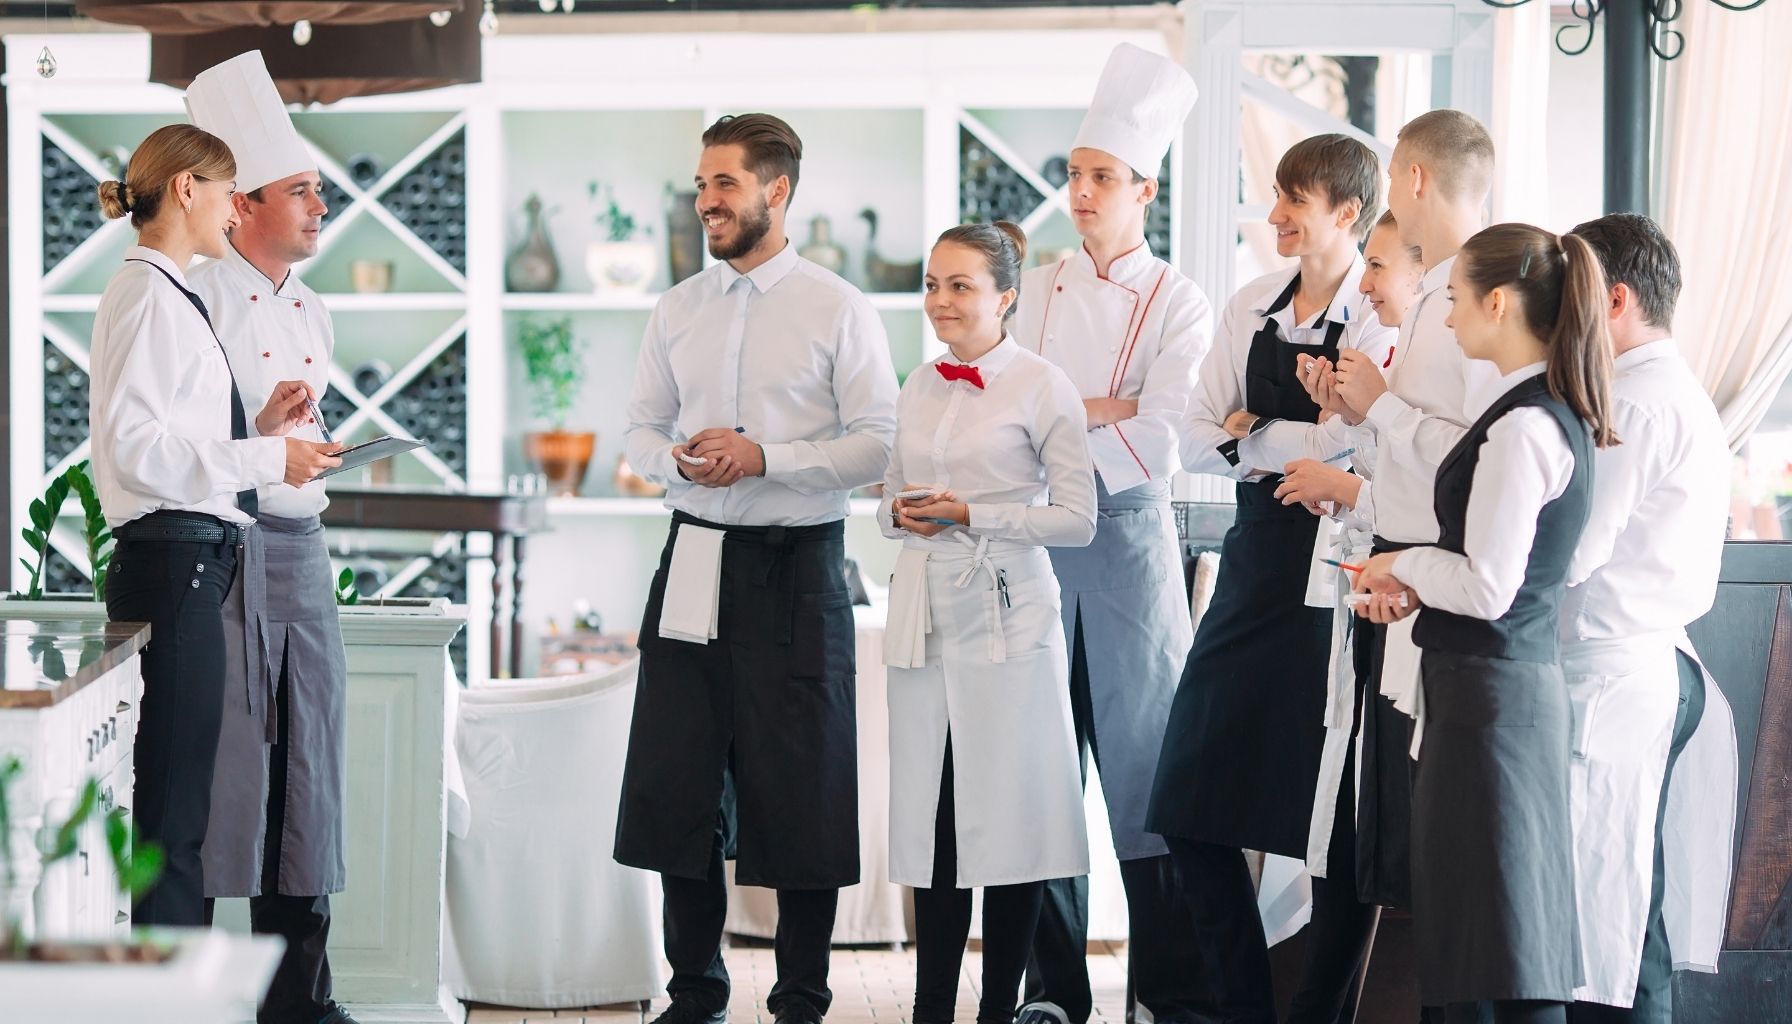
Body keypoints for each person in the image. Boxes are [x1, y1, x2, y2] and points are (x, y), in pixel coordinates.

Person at [615, 113, 899, 1024]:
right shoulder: (676, 309)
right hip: (693, 553)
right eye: (701, 184)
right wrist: (677, 461)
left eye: (724, 184)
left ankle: (802, 999)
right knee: (678, 779)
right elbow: (638, 430)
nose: (706, 201)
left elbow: (879, 445)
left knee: (805, 782)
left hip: (800, 566)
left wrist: (765, 457)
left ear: (776, 191)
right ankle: (694, 993)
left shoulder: (838, 307)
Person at [1146, 132, 1393, 1024]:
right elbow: (1188, 433)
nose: (1277, 213)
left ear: (1347, 213)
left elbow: (1362, 444)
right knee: (1186, 804)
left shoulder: (1380, 315)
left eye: (1295, 199)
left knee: (1331, 827)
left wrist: (1252, 433)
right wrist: (1292, 442)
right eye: (1278, 195)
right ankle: (1244, 1007)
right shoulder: (1252, 303)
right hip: (1253, 568)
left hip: (1339, 579)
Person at [1355, 222, 1619, 1024]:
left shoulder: (1521, 428)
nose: (1445, 316)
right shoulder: (1541, 415)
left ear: (1497, 303)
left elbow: (1490, 587)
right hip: (1497, 699)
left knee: (1499, 954)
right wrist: (1415, 587)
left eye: (1455, 298)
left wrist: (1400, 565)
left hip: (1491, 711)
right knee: (1491, 945)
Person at [88, 123, 341, 930]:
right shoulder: (148, 294)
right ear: (187, 189)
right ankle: (168, 988)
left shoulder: (167, 293)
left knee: (182, 814)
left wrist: (261, 432)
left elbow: (175, 437)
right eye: (230, 192)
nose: (235, 211)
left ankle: (177, 983)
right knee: (173, 818)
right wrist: (267, 459)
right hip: (175, 562)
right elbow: (137, 452)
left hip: (191, 561)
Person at [1007, 43, 1212, 1024]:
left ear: (1145, 190)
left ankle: (1167, 997)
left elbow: (1167, 433)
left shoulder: (1180, 300)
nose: (1081, 193)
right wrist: (1101, 407)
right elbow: (1005, 412)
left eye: (1101, 177)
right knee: (1042, 774)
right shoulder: (1035, 287)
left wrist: (1063, 422)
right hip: (1037, 550)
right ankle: (1054, 994)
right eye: (1075, 174)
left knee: (1146, 780)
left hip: (1129, 551)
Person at [882, 220, 1096, 1024]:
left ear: (1006, 297)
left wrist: (975, 513)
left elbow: (1078, 519)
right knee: (933, 817)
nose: (940, 300)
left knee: (1012, 822)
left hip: (1011, 615)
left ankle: (998, 1009)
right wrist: (901, 514)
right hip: (926, 616)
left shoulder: (1043, 386)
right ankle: (930, 1010)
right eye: (932, 284)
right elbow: (888, 499)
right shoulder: (917, 384)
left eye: (960, 285)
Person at [184, 52, 357, 1024]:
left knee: (308, 772)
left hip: (304, 555)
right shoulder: (198, 297)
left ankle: (301, 998)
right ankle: (206, 998)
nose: (321, 206)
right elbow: (184, 448)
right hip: (227, 554)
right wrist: (260, 436)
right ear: (240, 203)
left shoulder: (313, 309)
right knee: (227, 778)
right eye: (301, 191)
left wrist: (303, 439)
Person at [1300, 109, 1497, 918]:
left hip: (1440, 585)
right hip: (1397, 576)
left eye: (1390, 179)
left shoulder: (1481, 296)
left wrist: (1380, 407)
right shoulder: (1432, 299)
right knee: (1393, 835)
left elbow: (1485, 452)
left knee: (1432, 851)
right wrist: (1356, 414)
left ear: (1415, 179)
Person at [1558, 214, 1738, 1023]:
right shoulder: (1675, 390)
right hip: (1651, 665)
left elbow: (1571, 552)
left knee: (1604, 922)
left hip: (1614, 675)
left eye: (1571, 292)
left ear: (1615, 300)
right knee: (1628, 910)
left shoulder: (1631, 402)